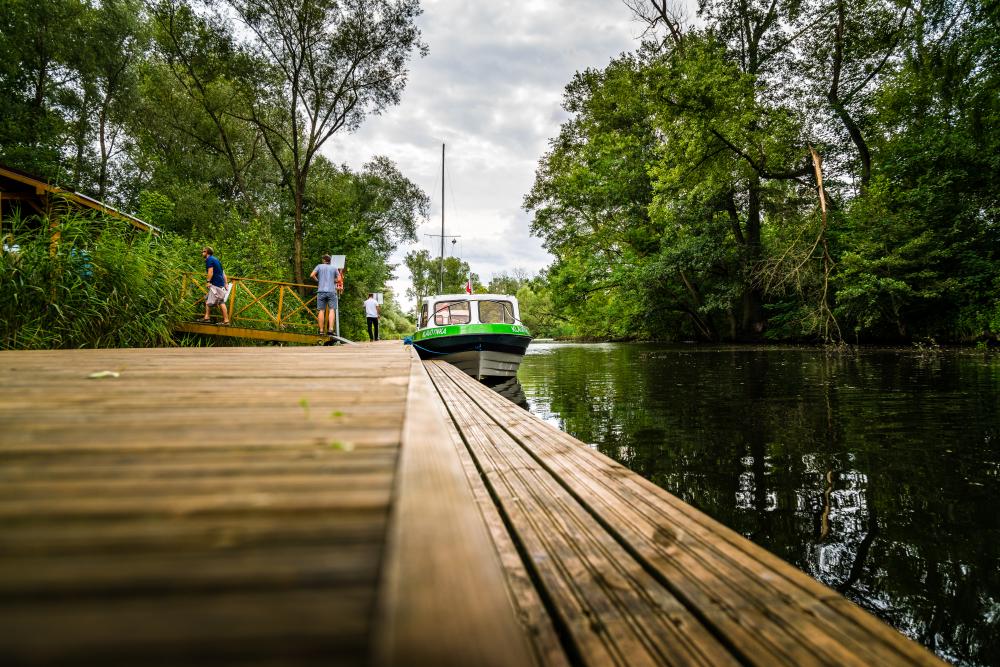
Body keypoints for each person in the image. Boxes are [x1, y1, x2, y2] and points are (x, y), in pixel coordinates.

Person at [310, 255, 342, 335]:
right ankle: (330, 330)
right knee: (332, 310)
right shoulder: (334, 268)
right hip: (331, 291)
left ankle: (321, 331)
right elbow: (339, 279)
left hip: (321, 291)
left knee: (321, 310)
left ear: (323, 260)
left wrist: (318, 281)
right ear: (330, 261)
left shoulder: (319, 266)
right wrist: (333, 281)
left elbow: (312, 275)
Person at [200, 246, 229, 324]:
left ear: (207, 252)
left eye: (203, 251)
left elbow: (210, 272)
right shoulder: (216, 260)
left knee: (220, 301)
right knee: (207, 298)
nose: (202, 253)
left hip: (216, 283)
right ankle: (207, 317)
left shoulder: (209, 260)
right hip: (220, 283)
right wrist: (225, 283)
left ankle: (226, 321)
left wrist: (208, 281)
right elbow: (223, 273)